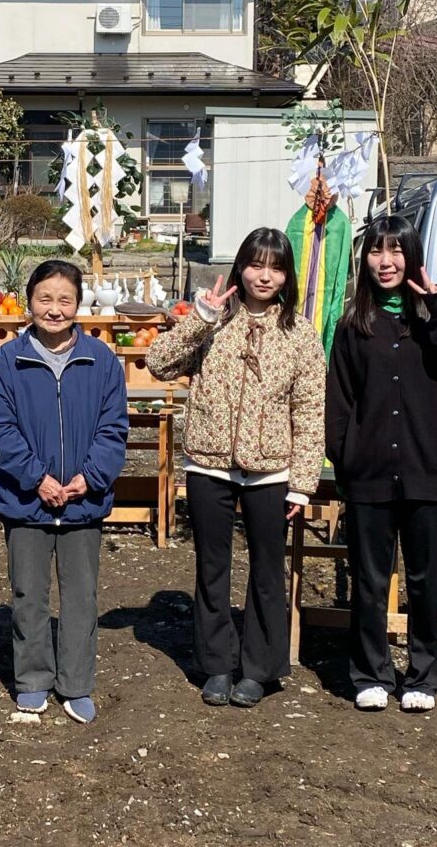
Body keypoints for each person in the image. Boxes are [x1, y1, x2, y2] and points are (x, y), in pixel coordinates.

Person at [147, 228, 325, 708]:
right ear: (240, 267)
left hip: (272, 471)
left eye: (276, 267)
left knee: (268, 570)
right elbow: (158, 363)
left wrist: (303, 483)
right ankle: (217, 665)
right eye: (256, 264)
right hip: (210, 466)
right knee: (212, 568)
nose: (264, 276)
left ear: (286, 275)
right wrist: (199, 319)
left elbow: (310, 410)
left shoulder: (299, 333)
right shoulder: (213, 320)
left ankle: (260, 668)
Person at [326, 215, 437, 713]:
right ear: (365, 259)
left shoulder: (435, 320)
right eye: (377, 251)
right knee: (371, 580)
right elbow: (339, 402)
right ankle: (370, 674)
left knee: (425, 580)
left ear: (412, 256)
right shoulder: (354, 326)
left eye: (396, 250)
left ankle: (423, 674)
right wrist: (347, 456)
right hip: (369, 475)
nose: (386, 261)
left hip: (428, 473)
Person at [0, 260, 128, 725]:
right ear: (30, 302)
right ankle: (32, 679)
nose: (55, 309)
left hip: (83, 502)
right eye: (45, 298)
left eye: (65, 299)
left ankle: (77, 683)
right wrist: (36, 478)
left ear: (78, 303)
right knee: (28, 593)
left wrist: (91, 476)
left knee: (81, 595)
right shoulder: (8, 361)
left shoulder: (101, 359)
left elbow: (113, 427)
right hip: (27, 502)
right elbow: (0, 428)